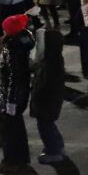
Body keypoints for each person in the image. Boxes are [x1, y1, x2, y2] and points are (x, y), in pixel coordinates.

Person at [0, 13, 34, 174]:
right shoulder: (22, 43)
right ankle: (22, 158)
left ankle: (12, 161)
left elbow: (14, 76)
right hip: (20, 94)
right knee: (17, 127)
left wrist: (10, 100)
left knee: (11, 130)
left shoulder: (13, 48)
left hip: (13, 96)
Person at [30, 21, 66, 164]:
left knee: (45, 127)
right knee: (49, 125)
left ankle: (54, 151)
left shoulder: (49, 64)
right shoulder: (55, 59)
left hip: (46, 101)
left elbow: (43, 85)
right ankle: (58, 146)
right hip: (50, 101)